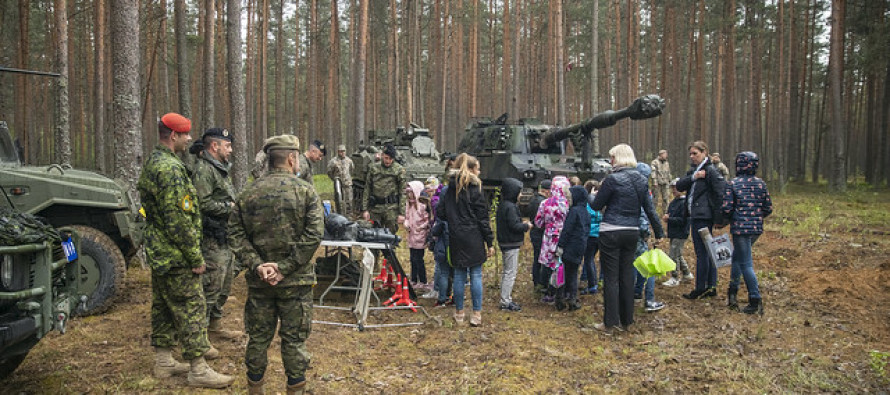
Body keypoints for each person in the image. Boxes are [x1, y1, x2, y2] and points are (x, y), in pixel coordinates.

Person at [138, 113, 234, 388]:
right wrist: (195, 256)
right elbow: (178, 219)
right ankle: (198, 368)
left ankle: (164, 360)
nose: (189, 139)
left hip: (160, 250)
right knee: (192, 306)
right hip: (176, 254)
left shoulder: (155, 162)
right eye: (185, 135)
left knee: (164, 306)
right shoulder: (170, 169)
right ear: (173, 136)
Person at [228, 134, 324, 394]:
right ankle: (296, 389)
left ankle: (255, 389)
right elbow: (314, 234)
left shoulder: (247, 193)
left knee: (258, 338)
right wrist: (286, 267)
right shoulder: (306, 192)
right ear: (292, 158)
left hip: (260, 282)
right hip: (296, 282)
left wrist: (258, 265)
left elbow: (235, 234)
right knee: (293, 340)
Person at [589, 144, 664, 332]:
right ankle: (627, 320)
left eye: (612, 157)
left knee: (611, 278)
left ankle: (611, 322)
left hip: (611, 231)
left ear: (619, 158)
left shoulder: (611, 180)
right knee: (627, 275)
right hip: (632, 231)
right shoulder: (640, 180)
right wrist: (659, 232)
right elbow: (650, 209)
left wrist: (591, 196)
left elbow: (597, 205)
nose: (610, 161)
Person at [188, 127, 242, 340]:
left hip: (223, 237)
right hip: (210, 239)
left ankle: (215, 326)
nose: (230, 150)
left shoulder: (219, 169)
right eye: (227, 146)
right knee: (210, 287)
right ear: (214, 146)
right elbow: (202, 203)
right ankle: (199, 337)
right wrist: (229, 207)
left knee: (224, 284)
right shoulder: (204, 170)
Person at [436, 153, 493, 327]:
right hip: (474, 236)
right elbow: (483, 218)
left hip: (455, 236)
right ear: (470, 169)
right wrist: (489, 241)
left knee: (459, 276)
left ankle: (459, 312)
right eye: (477, 167)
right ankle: (476, 313)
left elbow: (441, 213)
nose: (479, 171)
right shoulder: (476, 189)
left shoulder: (448, 189)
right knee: (475, 275)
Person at [676, 141, 727, 300]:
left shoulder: (711, 170)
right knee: (707, 252)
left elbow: (720, 193)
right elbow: (679, 185)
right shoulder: (695, 171)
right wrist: (694, 177)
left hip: (703, 217)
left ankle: (702, 287)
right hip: (695, 215)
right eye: (690, 154)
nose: (692, 157)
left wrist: (719, 219)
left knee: (703, 253)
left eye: (695, 153)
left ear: (705, 153)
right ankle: (709, 287)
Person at [722, 151, 772, 315]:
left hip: (740, 229)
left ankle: (755, 300)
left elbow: (727, 208)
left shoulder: (733, 184)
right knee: (738, 258)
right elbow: (768, 208)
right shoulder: (761, 184)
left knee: (746, 264)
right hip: (756, 229)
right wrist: (756, 217)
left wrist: (732, 218)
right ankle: (733, 292)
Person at [633, 163, 666, 313]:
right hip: (639, 233)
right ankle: (649, 300)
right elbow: (645, 214)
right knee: (649, 267)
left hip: (629, 232)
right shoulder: (642, 191)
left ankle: (636, 292)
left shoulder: (631, 189)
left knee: (636, 264)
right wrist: (648, 233)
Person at [496, 178, 532, 312]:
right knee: (510, 272)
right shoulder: (510, 207)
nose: (521, 195)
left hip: (506, 242)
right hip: (510, 243)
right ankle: (505, 301)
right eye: (519, 192)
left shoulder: (504, 205)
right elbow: (514, 225)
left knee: (507, 271)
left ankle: (506, 298)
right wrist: (526, 226)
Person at [534, 176, 571, 305]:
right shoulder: (568, 204)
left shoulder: (545, 203)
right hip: (564, 237)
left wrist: (549, 225)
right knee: (562, 265)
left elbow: (538, 223)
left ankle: (549, 292)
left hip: (549, 238)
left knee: (549, 265)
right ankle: (563, 292)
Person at [556, 185, 590, 311]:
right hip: (580, 247)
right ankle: (572, 299)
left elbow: (567, 230)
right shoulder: (586, 212)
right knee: (574, 274)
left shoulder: (574, 211)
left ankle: (560, 299)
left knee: (563, 273)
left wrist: (560, 245)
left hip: (570, 247)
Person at [362, 144, 407, 234]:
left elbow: (403, 192)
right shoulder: (373, 168)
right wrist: (365, 209)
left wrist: (402, 213)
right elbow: (367, 189)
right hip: (375, 208)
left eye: (391, 159)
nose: (388, 161)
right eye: (386, 158)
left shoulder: (399, 170)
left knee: (389, 237)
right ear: (382, 155)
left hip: (391, 209)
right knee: (373, 235)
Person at [661, 178, 693, 287]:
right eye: (673, 188)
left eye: (676, 188)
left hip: (680, 233)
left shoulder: (685, 203)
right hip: (674, 233)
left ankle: (675, 277)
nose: (674, 190)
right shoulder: (674, 202)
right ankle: (687, 273)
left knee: (673, 256)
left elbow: (683, 220)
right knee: (678, 254)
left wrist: (669, 219)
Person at [523, 179, 551, 293]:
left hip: (535, 231)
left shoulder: (533, 199)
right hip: (540, 232)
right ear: (547, 191)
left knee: (537, 257)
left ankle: (537, 281)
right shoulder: (543, 202)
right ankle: (539, 282)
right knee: (540, 258)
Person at [404, 180, 431, 289]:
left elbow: (427, 219)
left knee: (419, 259)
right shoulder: (409, 205)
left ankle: (423, 280)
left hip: (420, 235)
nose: (409, 194)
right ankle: (414, 279)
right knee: (412, 258)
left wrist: (421, 227)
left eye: (411, 192)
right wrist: (406, 223)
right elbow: (407, 217)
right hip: (411, 235)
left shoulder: (422, 205)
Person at [580, 180, 602, 295]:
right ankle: (593, 281)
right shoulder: (602, 202)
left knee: (589, 260)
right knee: (591, 259)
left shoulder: (587, 203)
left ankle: (592, 284)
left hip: (590, 234)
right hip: (600, 233)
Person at [327, 144, 355, 216]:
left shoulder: (349, 161)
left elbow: (352, 170)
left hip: (347, 184)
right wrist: (335, 179)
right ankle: (340, 215)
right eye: (341, 151)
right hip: (338, 185)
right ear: (338, 152)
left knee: (349, 201)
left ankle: (349, 216)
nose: (342, 153)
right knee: (339, 201)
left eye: (344, 151)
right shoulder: (333, 161)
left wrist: (348, 178)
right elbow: (329, 172)